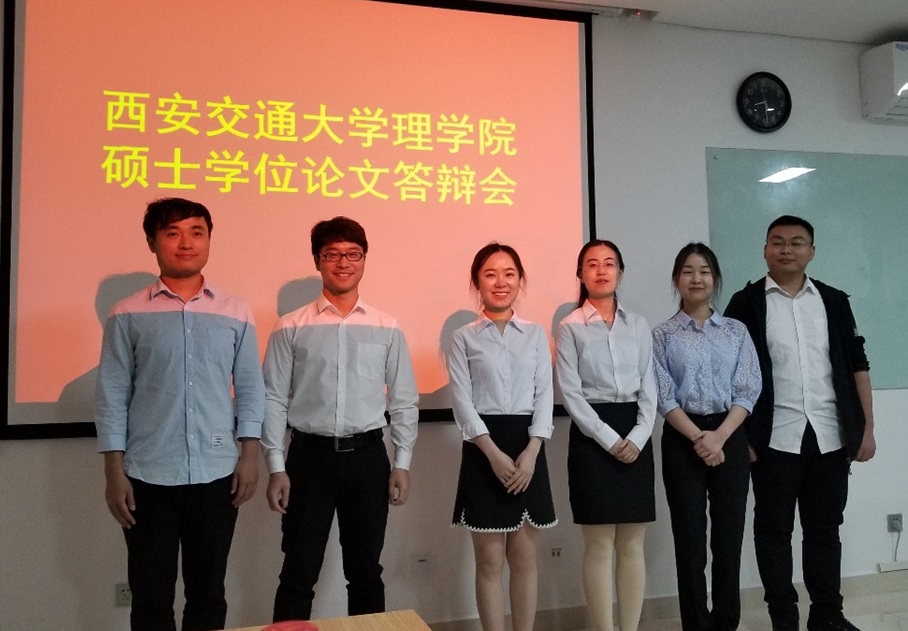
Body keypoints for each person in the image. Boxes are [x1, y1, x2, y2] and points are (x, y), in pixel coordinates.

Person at [95, 197, 265, 631]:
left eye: (196, 232)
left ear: (208, 240)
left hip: (217, 475)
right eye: (172, 233)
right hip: (147, 476)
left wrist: (250, 455)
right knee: (151, 596)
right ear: (152, 242)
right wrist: (114, 472)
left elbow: (250, 388)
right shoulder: (127, 313)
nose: (186, 242)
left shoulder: (236, 311)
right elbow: (112, 394)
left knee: (208, 593)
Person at [262, 216, 419, 622]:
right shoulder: (290, 326)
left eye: (353, 254)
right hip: (308, 460)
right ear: (317, 260)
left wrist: (402, 463)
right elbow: (273, 399)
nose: (343, 262)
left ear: (365, 259)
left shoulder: (386, 326)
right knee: (298, 573)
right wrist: (276, 467)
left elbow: (403, 400)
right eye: (332, 254)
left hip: (367, 459)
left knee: (366, 574)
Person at [724, 215, 876, 631]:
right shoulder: (746, 303)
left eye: (796, 242)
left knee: (825, 530)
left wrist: (866, 428)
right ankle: (784, 618)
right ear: (765, 250)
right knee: (773, 531)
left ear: (812, 251)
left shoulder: (834, 301)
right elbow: (728, 371)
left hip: (829, 434)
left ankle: (827, 615)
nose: (786, 249)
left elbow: (858, 365)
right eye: (777, 242)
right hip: (772, 437)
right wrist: (741, 436)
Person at [651, 242, 762, 631]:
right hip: (682, 437)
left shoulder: (735, 331)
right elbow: (662, 395)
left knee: (729, 537)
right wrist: (701, 438)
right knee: (689, 539)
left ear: (715, 279)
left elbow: (748, 389)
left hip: (730, 434)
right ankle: (696, 624)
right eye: (687, 271)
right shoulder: (662, 335)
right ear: (676, 279)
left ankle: (727, 622)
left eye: (704, 271)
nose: (696, 278)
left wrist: (720, 437)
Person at [447, 243, 557, 631]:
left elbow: (545, 395)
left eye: (509, 273)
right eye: (490, 274)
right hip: (483, 450)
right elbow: (462, 401)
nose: (500, 282)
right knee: (490, 561)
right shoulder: (463, 337)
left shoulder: (535, 334)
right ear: (477, 281)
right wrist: (492, 454)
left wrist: (533, 450)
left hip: (528, 448)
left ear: (520, 281)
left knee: (524, 558)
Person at [554, 239, 656, 631]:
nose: (601, 270)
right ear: (580, 274)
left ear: (620, 272)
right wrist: (610, 440)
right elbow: (571, 394)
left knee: (632, 544)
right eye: (592, 264)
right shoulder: (570, 327)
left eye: (609, 263)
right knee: (598, 546)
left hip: (636, 432)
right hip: (592, 438)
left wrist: (639, 436)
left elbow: (649, 386)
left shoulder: (638, 325)